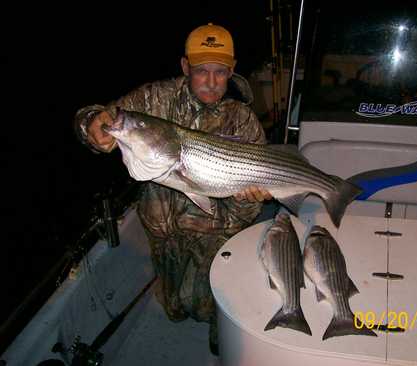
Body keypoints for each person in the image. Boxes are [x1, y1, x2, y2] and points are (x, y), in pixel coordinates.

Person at [73, 23, 272, 355]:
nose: (211, 81)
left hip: (216, 230)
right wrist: (91, 124)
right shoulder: (153, 99)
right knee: (175, 312)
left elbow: (244, 214)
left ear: (232, 71)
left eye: (220, 72)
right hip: (163, 231)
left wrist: (247, 200)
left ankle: (220, 315)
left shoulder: (243, 119)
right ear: (185, 67)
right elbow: (101, 117)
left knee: (205, 309)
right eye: (201, 71)